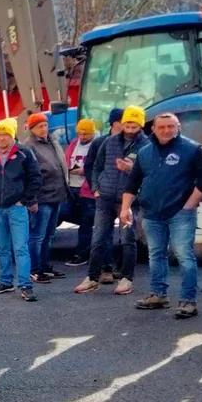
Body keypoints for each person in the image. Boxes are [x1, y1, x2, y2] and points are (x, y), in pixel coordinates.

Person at [120, 113, 202, 318]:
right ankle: (158, 294)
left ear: (178, 127)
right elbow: (132, 183)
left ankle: (188, 300)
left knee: (184, 256)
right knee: (156, 255)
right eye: (161, 127)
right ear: (152, 129)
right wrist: (125, 208)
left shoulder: (193, 149)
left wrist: (189, 205)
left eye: (171, 126)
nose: (166, 130)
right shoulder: (144, 153)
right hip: (151, 213)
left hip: (180, 213)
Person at [75, 105, 149, 295]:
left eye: (134, 126)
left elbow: (150, 174)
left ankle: (126, 278)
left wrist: (130, 169)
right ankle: (92, 277)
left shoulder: (147, 145)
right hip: (105, 198)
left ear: (140, 125)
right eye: (128, 125)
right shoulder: (108, 142)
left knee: (127, 240)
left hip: (129, 200)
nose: (130, 130)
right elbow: (96, 167)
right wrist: (96, 189)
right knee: (98, 238)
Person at [0, 118, 41, 302]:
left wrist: (25, 200)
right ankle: (5, 281)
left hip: (17, 207)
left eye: (5, 134)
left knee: (20, 247)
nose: (2, 137)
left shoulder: (24, 153)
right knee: (2, 248)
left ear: (12, 135)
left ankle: (25, 285)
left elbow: (35, 177)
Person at [25, 112, 70, 284]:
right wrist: (32, 199)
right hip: (42, 197)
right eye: (39, 126)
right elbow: (29, 174)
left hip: (56, 195)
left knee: (50, 234)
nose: (43, 129)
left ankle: (45, 266)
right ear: (32, 129)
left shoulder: (52, 141)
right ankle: (34, 269)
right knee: (37, 235)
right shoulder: (29, 146)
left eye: (45, 125)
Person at [82, 108, 123, 279]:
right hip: (104, 195)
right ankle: (105, 268)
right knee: (103, 234)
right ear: (115, 123)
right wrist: (95, 189)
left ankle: (122, 269)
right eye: (124, 122)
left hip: (126, 197)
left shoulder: (134, 142)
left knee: (127, 235)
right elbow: (91, 166)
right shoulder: (100, 142)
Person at [64, 119, 97, 266]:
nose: (82, 137)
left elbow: (98, 165)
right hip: (72, 186)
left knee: (86, 221)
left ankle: (82, 253)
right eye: (80, 133)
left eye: (86, 134)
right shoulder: (74, 143)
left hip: (87, 189)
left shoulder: (97, 145)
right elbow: (66, 159)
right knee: (65, 213)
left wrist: (85, 171)